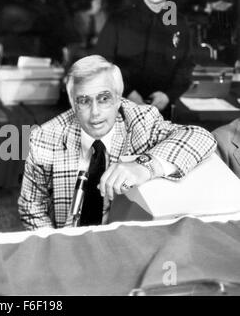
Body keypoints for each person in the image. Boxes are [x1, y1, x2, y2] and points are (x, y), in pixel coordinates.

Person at [18, 55, 216, 230]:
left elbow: (201, 137)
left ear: (119, 99)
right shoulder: (44, 137)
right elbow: (31, 206)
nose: (95, 112)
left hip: (128, 244)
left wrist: (144, 166)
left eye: (104, 98)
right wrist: (57, 248)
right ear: (72, 103)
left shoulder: (141, 121)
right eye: (84, 101)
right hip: (68, 244)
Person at [95, 0, 194, 119]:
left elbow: (185, 66)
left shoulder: (179, 22)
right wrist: (127, 93)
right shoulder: (119, 20)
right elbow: (102, 63)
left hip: (162, 112)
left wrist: (168, 96)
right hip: (120, 109)